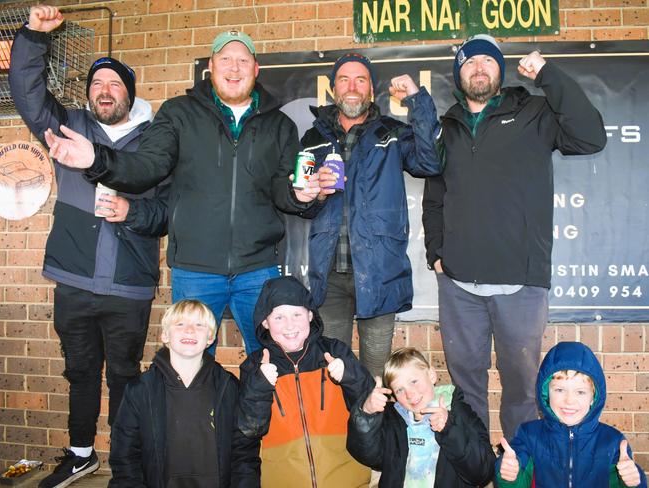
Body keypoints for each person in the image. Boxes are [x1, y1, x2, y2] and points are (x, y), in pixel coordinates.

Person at [42, 30, 321, 355]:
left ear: (255, 69)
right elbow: (146, 166)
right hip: (195, 271)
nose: (234, 68)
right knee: (191, 364)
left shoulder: (280, 126)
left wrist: (301, 197)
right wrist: (95, 159)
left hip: (257, 269)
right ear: (212, 66)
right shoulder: (178, 113)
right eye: (226, 59)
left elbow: (282, 191)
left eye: (243, 60)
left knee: (271, 360)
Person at [9, 6, 168, 487]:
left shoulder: (156, 141)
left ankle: (123, 462)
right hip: (74, 280)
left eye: (114, 84)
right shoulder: (70, 128)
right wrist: (34, 36)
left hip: (129, 287)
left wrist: (131, 212)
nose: (104, 90)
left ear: (129, 94)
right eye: (97, 84)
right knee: (79, 373)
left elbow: (165, 214)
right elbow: (28, 94)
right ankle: (81, 455)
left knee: (124, 375)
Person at [420, 34, 607, 437]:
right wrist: (436, 251)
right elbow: (434, 195)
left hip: (521, 283)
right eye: (470, 62)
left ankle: (518, 473)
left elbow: (592, 136)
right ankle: (473, 472)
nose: (479, 67)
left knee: (522, 390)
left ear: (500, 71)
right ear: (459, 74)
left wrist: (548, 75)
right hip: (458, 286)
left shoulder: (534, 112)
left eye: (488, 61)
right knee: (466, 389)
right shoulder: (447, 127)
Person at [300, 53, 443, 377]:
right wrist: (315, 193)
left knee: (376, 377)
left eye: (360, 80)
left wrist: (416, 101)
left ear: (371, 89)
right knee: (331, 375)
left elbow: (431, 162)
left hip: (379, 274)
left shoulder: (392, 133)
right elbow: (301, 204)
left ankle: (373, 429)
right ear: (333, 88)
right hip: (329, 277)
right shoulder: (313, 138)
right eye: (344, 79)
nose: (352, 87)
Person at [237, 276, 374, 487]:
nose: (289, 325)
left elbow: (371, 409)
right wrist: (260, 386)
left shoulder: (335, 352)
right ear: (264, 322)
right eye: (279, 317)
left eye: (297, 314)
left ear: (310, 315)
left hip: (347, 481)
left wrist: (349, 377)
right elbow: (249, 430)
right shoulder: (254, 365)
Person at [109, 299, 260, 487]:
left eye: (199, 324)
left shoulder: (228, 387)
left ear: (210, 338)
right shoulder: (141, 390)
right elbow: (124, 457)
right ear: (165, 335)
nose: (190, 330)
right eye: (180, 324)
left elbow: (244, 453)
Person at [495, 341, 647, 487]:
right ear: (546, 393)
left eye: (580, 392)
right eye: (560, 390)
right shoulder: (528, 435)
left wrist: (632, 482)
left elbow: (628, 481)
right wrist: (509, 476)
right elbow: (517, 483)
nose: (569, 401)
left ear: (593, 398)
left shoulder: (612, 442)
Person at [347, 347, 495, 487]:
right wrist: (367, 413)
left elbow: (483, 472)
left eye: (413, 381)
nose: (409, 394)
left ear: (431, 375)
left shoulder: (459, 411)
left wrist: (450, 429)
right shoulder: (393, 419)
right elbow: (369, 457)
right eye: (399, 390)